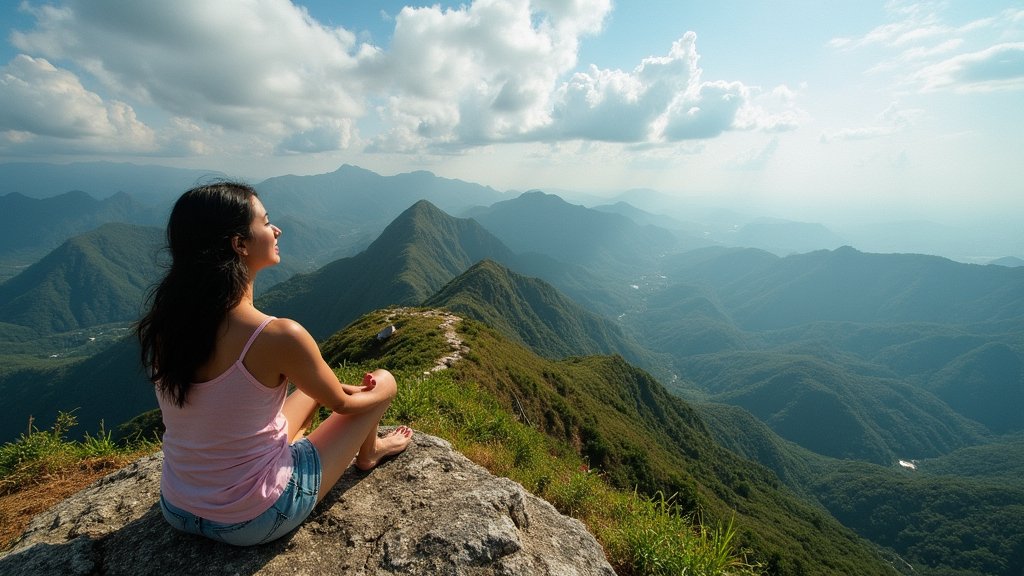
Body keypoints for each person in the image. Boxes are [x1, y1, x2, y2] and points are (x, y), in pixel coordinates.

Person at [136, 181, 413, 546]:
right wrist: (382, 388)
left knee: (312, 392)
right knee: (381, 381)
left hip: (179, 506)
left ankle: (303, 446)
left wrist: (331, 390)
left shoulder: (167, 324)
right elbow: (344, 406)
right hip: (254, 517)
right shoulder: (278, 336)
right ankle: (370, 451)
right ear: (240, 243)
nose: (276, 229)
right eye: (266, 222)